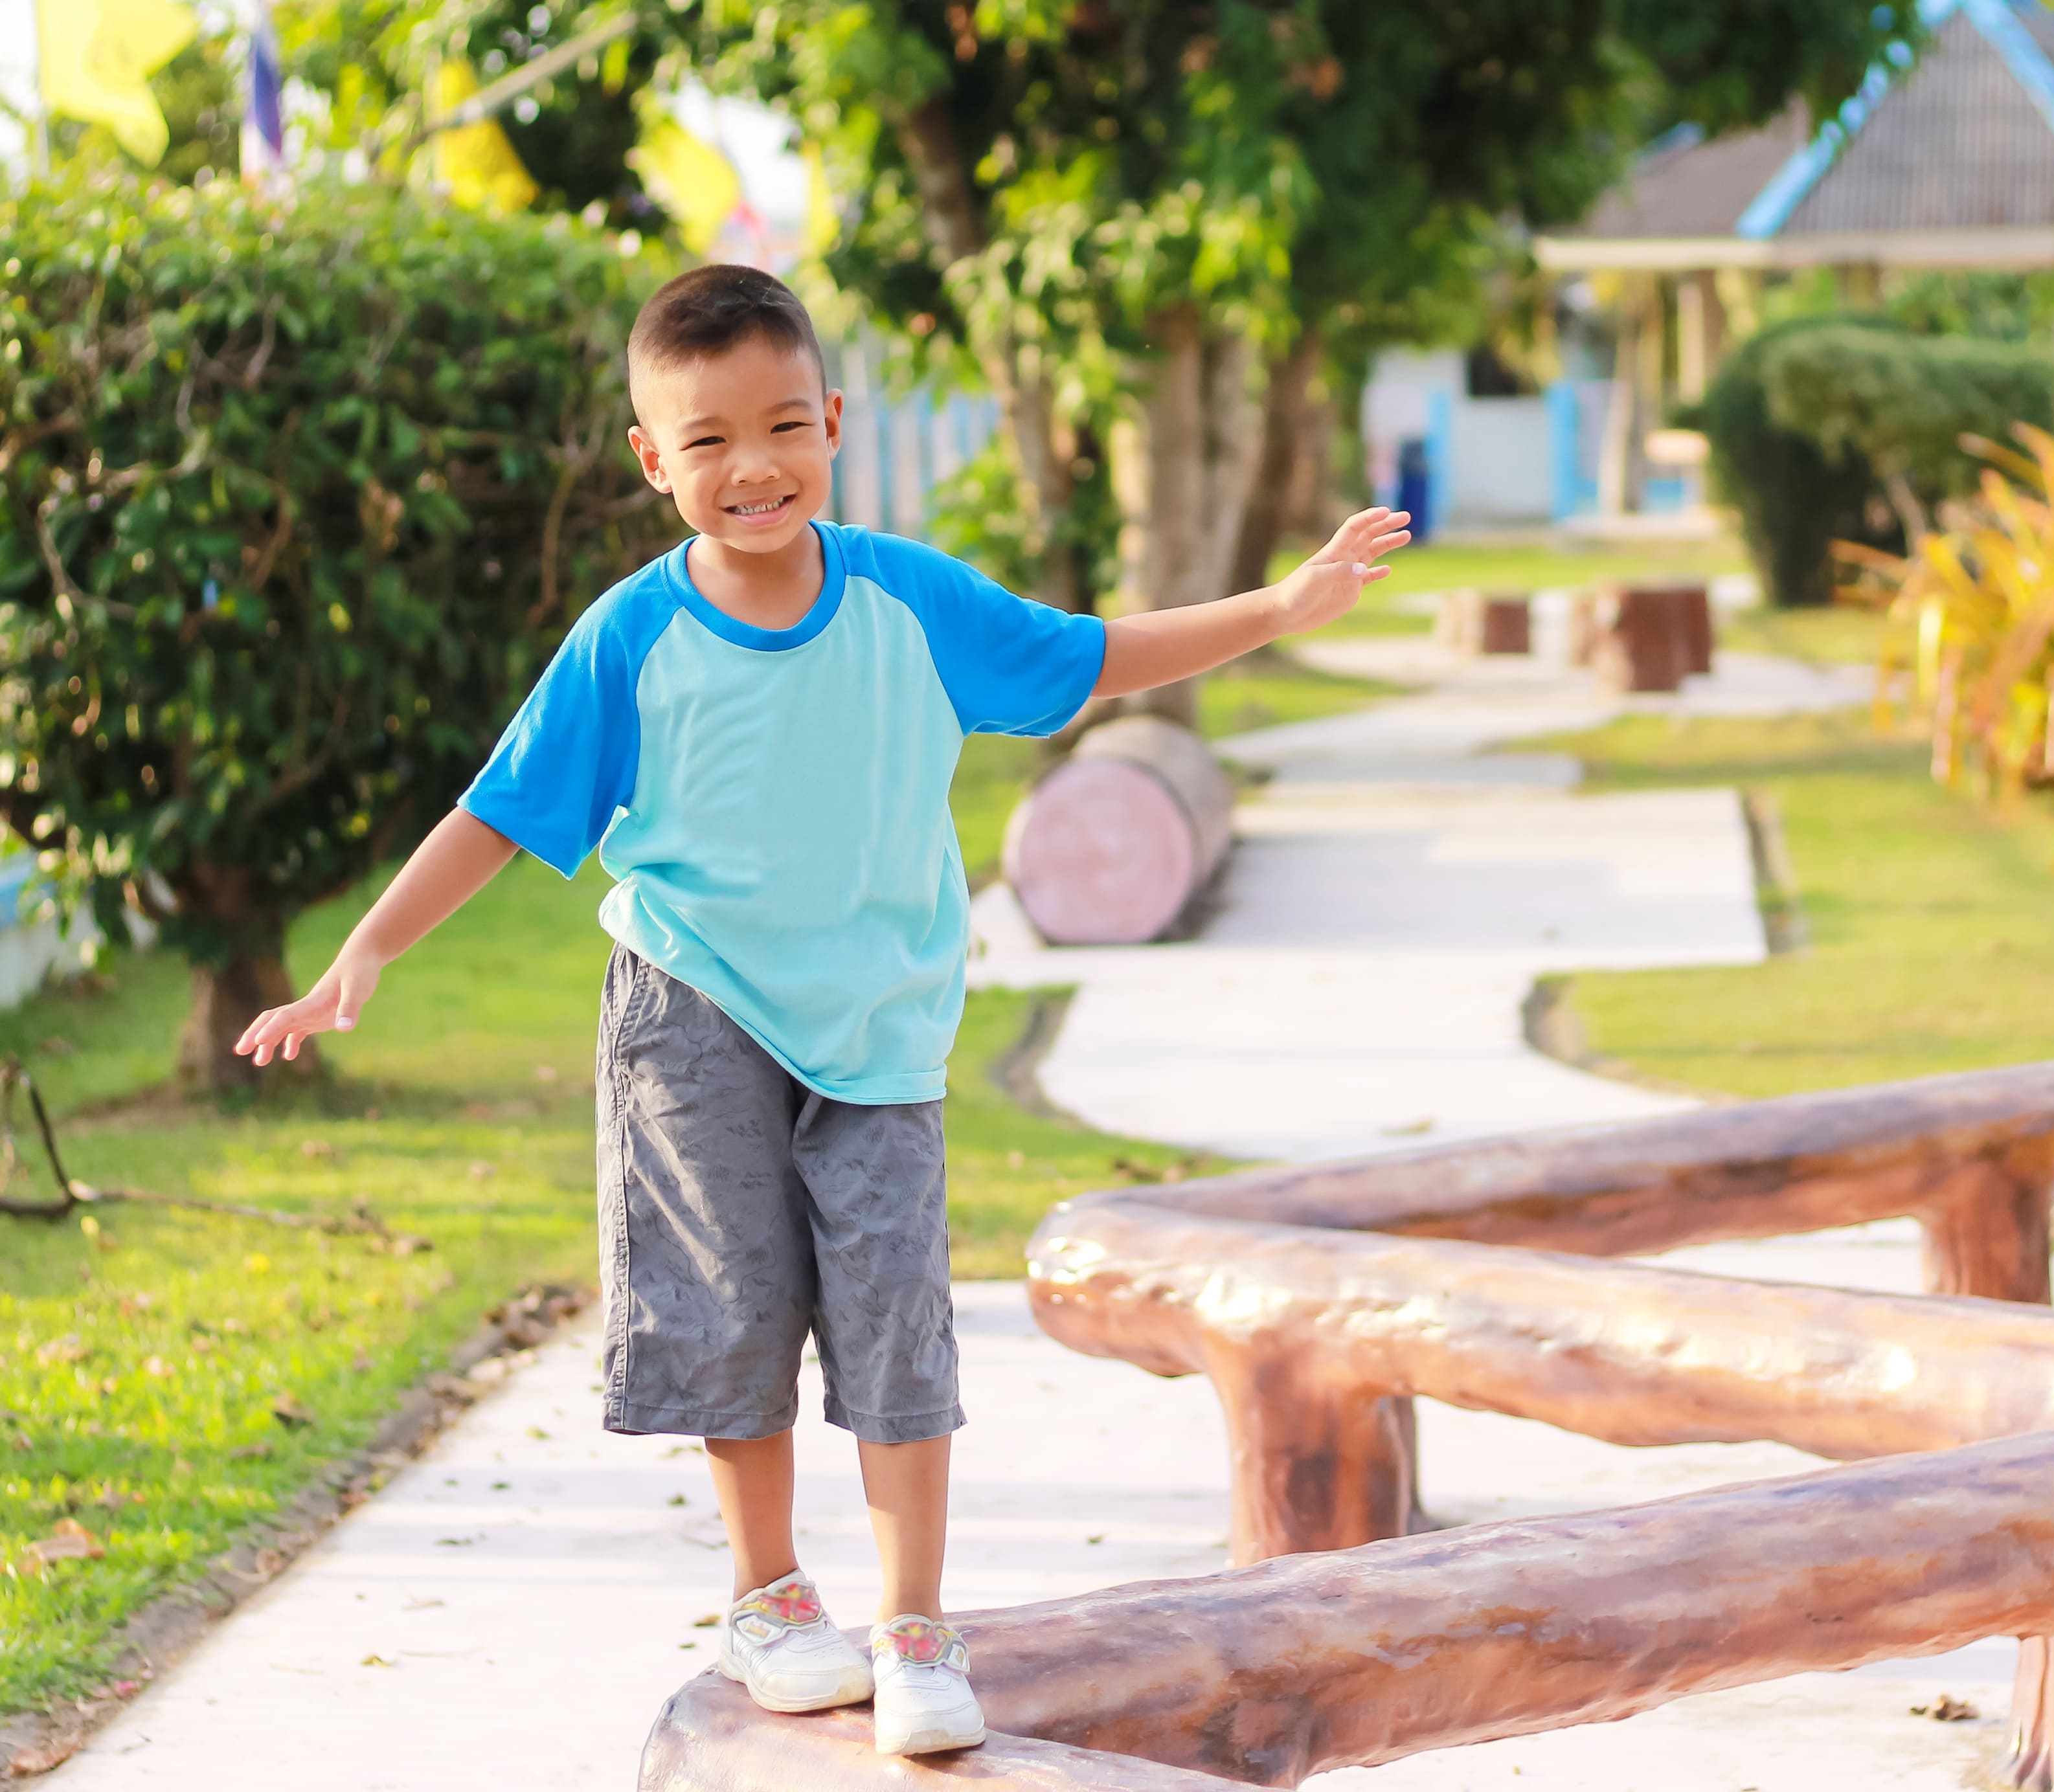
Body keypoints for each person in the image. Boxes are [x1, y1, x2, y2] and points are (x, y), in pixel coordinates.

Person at [233, 264, 1408, 1757]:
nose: (752, 466)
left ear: (834, 424)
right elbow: (503, 804)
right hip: (693, 1010)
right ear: (654, 461)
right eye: (708, 440)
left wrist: (1283, 606)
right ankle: (773, 1594)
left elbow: (1093, 656)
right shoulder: (628, 637)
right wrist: (366, 953)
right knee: (729, 1313)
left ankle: (915, 1621)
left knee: (893, 1315)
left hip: (878, 1026)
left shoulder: (907, 601)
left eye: (783, 425)